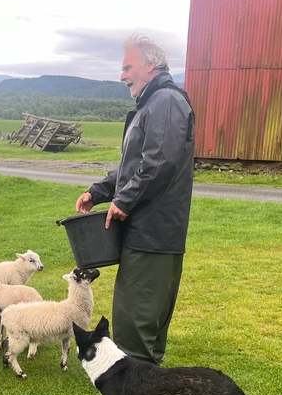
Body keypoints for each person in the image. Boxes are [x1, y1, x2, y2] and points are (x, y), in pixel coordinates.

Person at [75, 33, 195, 365]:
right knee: (139, 322)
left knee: (136, 327)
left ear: (150, 65)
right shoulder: (152, 104)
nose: (122, 75)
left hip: (153, 235)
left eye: (128, 66)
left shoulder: (165, 102)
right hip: (147, 234)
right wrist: (98, 192)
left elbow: (159, 163)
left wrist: (124, 201)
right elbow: (134, 167)